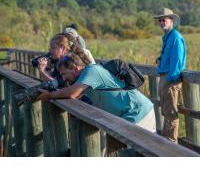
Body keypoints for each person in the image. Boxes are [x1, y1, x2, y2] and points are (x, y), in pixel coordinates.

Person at [38, 53, 156, 133]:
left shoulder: (92, 71)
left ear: (75, 69)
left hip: (138, 112)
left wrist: (50, 95)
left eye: (64, 74)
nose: (63, 78)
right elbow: (69, 92)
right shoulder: (82, 80)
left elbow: (72, 93)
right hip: (125, 116)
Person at [154, 8, 186, 143]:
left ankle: (171, 144)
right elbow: (168, 58)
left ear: (171, 21)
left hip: (170, 79)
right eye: (160, 20)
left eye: (164, 19)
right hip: (164, 77)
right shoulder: (168, 37)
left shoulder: (176, 37)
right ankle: (166, 142)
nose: (161, 22)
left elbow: (177, 60)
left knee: (171, 113)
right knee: (165, 111)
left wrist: (170, 79)